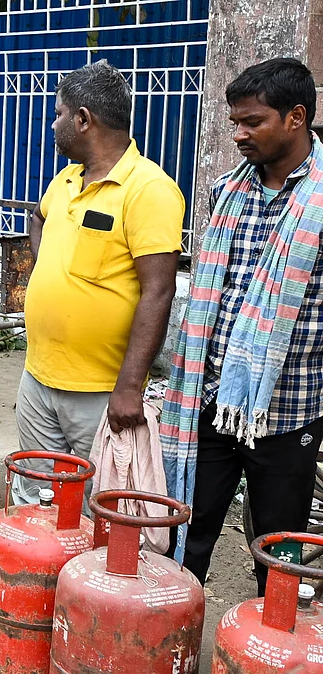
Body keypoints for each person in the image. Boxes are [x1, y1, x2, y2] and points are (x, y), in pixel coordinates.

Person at [162, 58, 323, 595]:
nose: (238, 134)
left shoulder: (321, 197)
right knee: (188, 533)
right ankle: (174, 634)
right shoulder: (228, 190)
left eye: (252, 121)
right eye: (235, 121)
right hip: (210, 399)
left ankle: (267, 649)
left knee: (279, 549)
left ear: (295, 117)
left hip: (288, 407)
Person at [12, 60, 183, 506]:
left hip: (101, 393)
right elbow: (39, 217)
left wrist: (129, 387)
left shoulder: (150, 190)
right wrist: (48, 268)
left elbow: (159, 291)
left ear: (83, 119)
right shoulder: (67, 178)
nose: (53, 124)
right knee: (35, 500)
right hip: (38, 377)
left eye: (58, 113)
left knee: (95, 512)